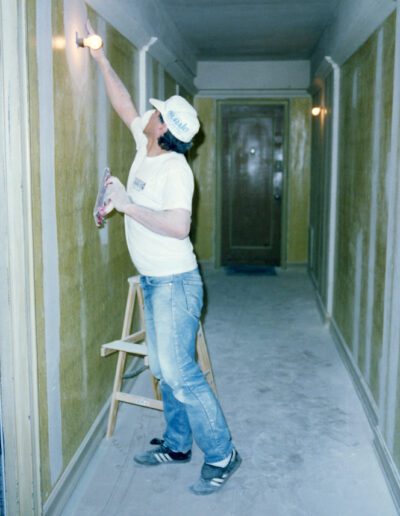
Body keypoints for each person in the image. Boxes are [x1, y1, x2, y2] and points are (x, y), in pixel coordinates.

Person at [87, 22, 241, 495]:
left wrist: (128, 204)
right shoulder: (145, 147)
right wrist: (101, 60)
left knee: (179, 371)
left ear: (164, 130)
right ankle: (177, 444)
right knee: (160, 368)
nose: (147, 116)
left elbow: (178, 226)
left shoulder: (176, 170)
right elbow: (124, 104)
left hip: (176, 281)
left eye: (155, 116)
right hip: (154, 281)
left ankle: (223, 453)